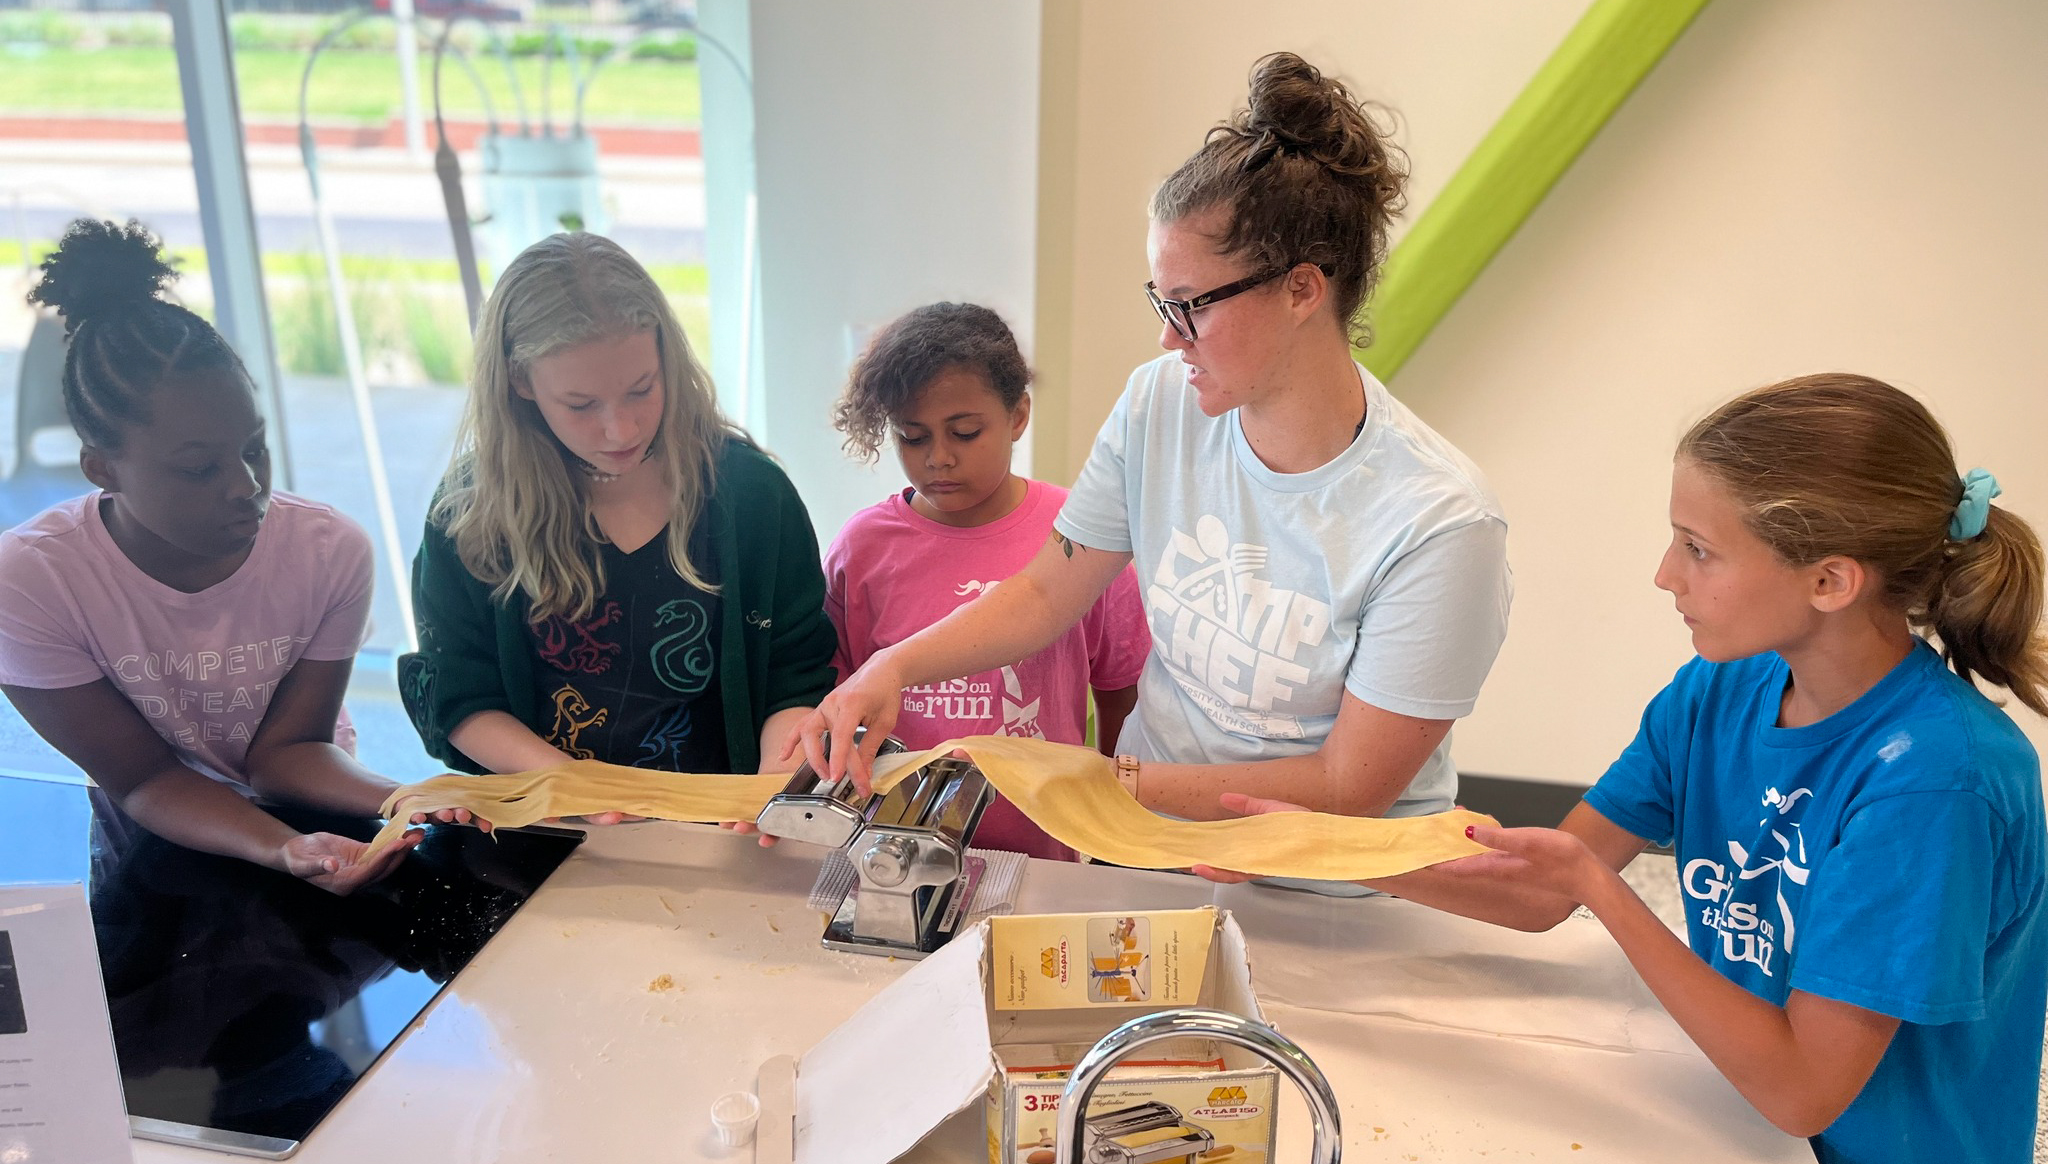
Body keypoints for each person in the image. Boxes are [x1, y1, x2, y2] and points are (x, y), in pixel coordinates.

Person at [1203, 374, 2047, 1161]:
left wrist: (1605, 892)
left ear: (1829, 580)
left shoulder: (1937, 782)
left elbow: (1803, 1093)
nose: (1664, 575)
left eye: (1699, 549)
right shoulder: (1723, 689)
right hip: (1733, 1119)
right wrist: (1320, 844)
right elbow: (1539, 889)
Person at [789, 54, 1512, 885]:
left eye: (1190, 306)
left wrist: (1100, 778)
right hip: (1146, 844)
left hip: (1332, 881)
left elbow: (1348, 789)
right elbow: (1043, 593)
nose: (1169, 338)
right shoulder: (1159, 402)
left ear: (1303, 289)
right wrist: (893, 667)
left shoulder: (1441, 524)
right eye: (1158, 301)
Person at [0, 218, 444, 893]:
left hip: (314, 816)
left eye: (254, 448)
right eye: (199, 469)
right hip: (153, 842)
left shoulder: (330, 552)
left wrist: (406, 796)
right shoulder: (30, 586)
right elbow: (146, 779)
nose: (248, 489)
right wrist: (280, 850)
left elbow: (288, 756)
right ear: (101, 469)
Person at [401, 232, 835, 785]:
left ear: (666, 359)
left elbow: (793, 675)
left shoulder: (752, 494)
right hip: (551, 822)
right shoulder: (472, 511)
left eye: (641, 389)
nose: (620, 429)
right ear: (519, 382)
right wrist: (590, 792)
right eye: (581, 405)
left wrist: (774, 787)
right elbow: (458, 693)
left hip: (723, 827)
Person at [822, 302, 1149, 860]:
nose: (939, 459)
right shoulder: (864, 547)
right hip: (891, 853)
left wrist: (1116, 830)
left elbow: (1122, 697)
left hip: (1044, 851)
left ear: (1018, 415)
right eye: (913, 437)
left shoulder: (1079, 538)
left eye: (966, 433)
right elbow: (840, 704)